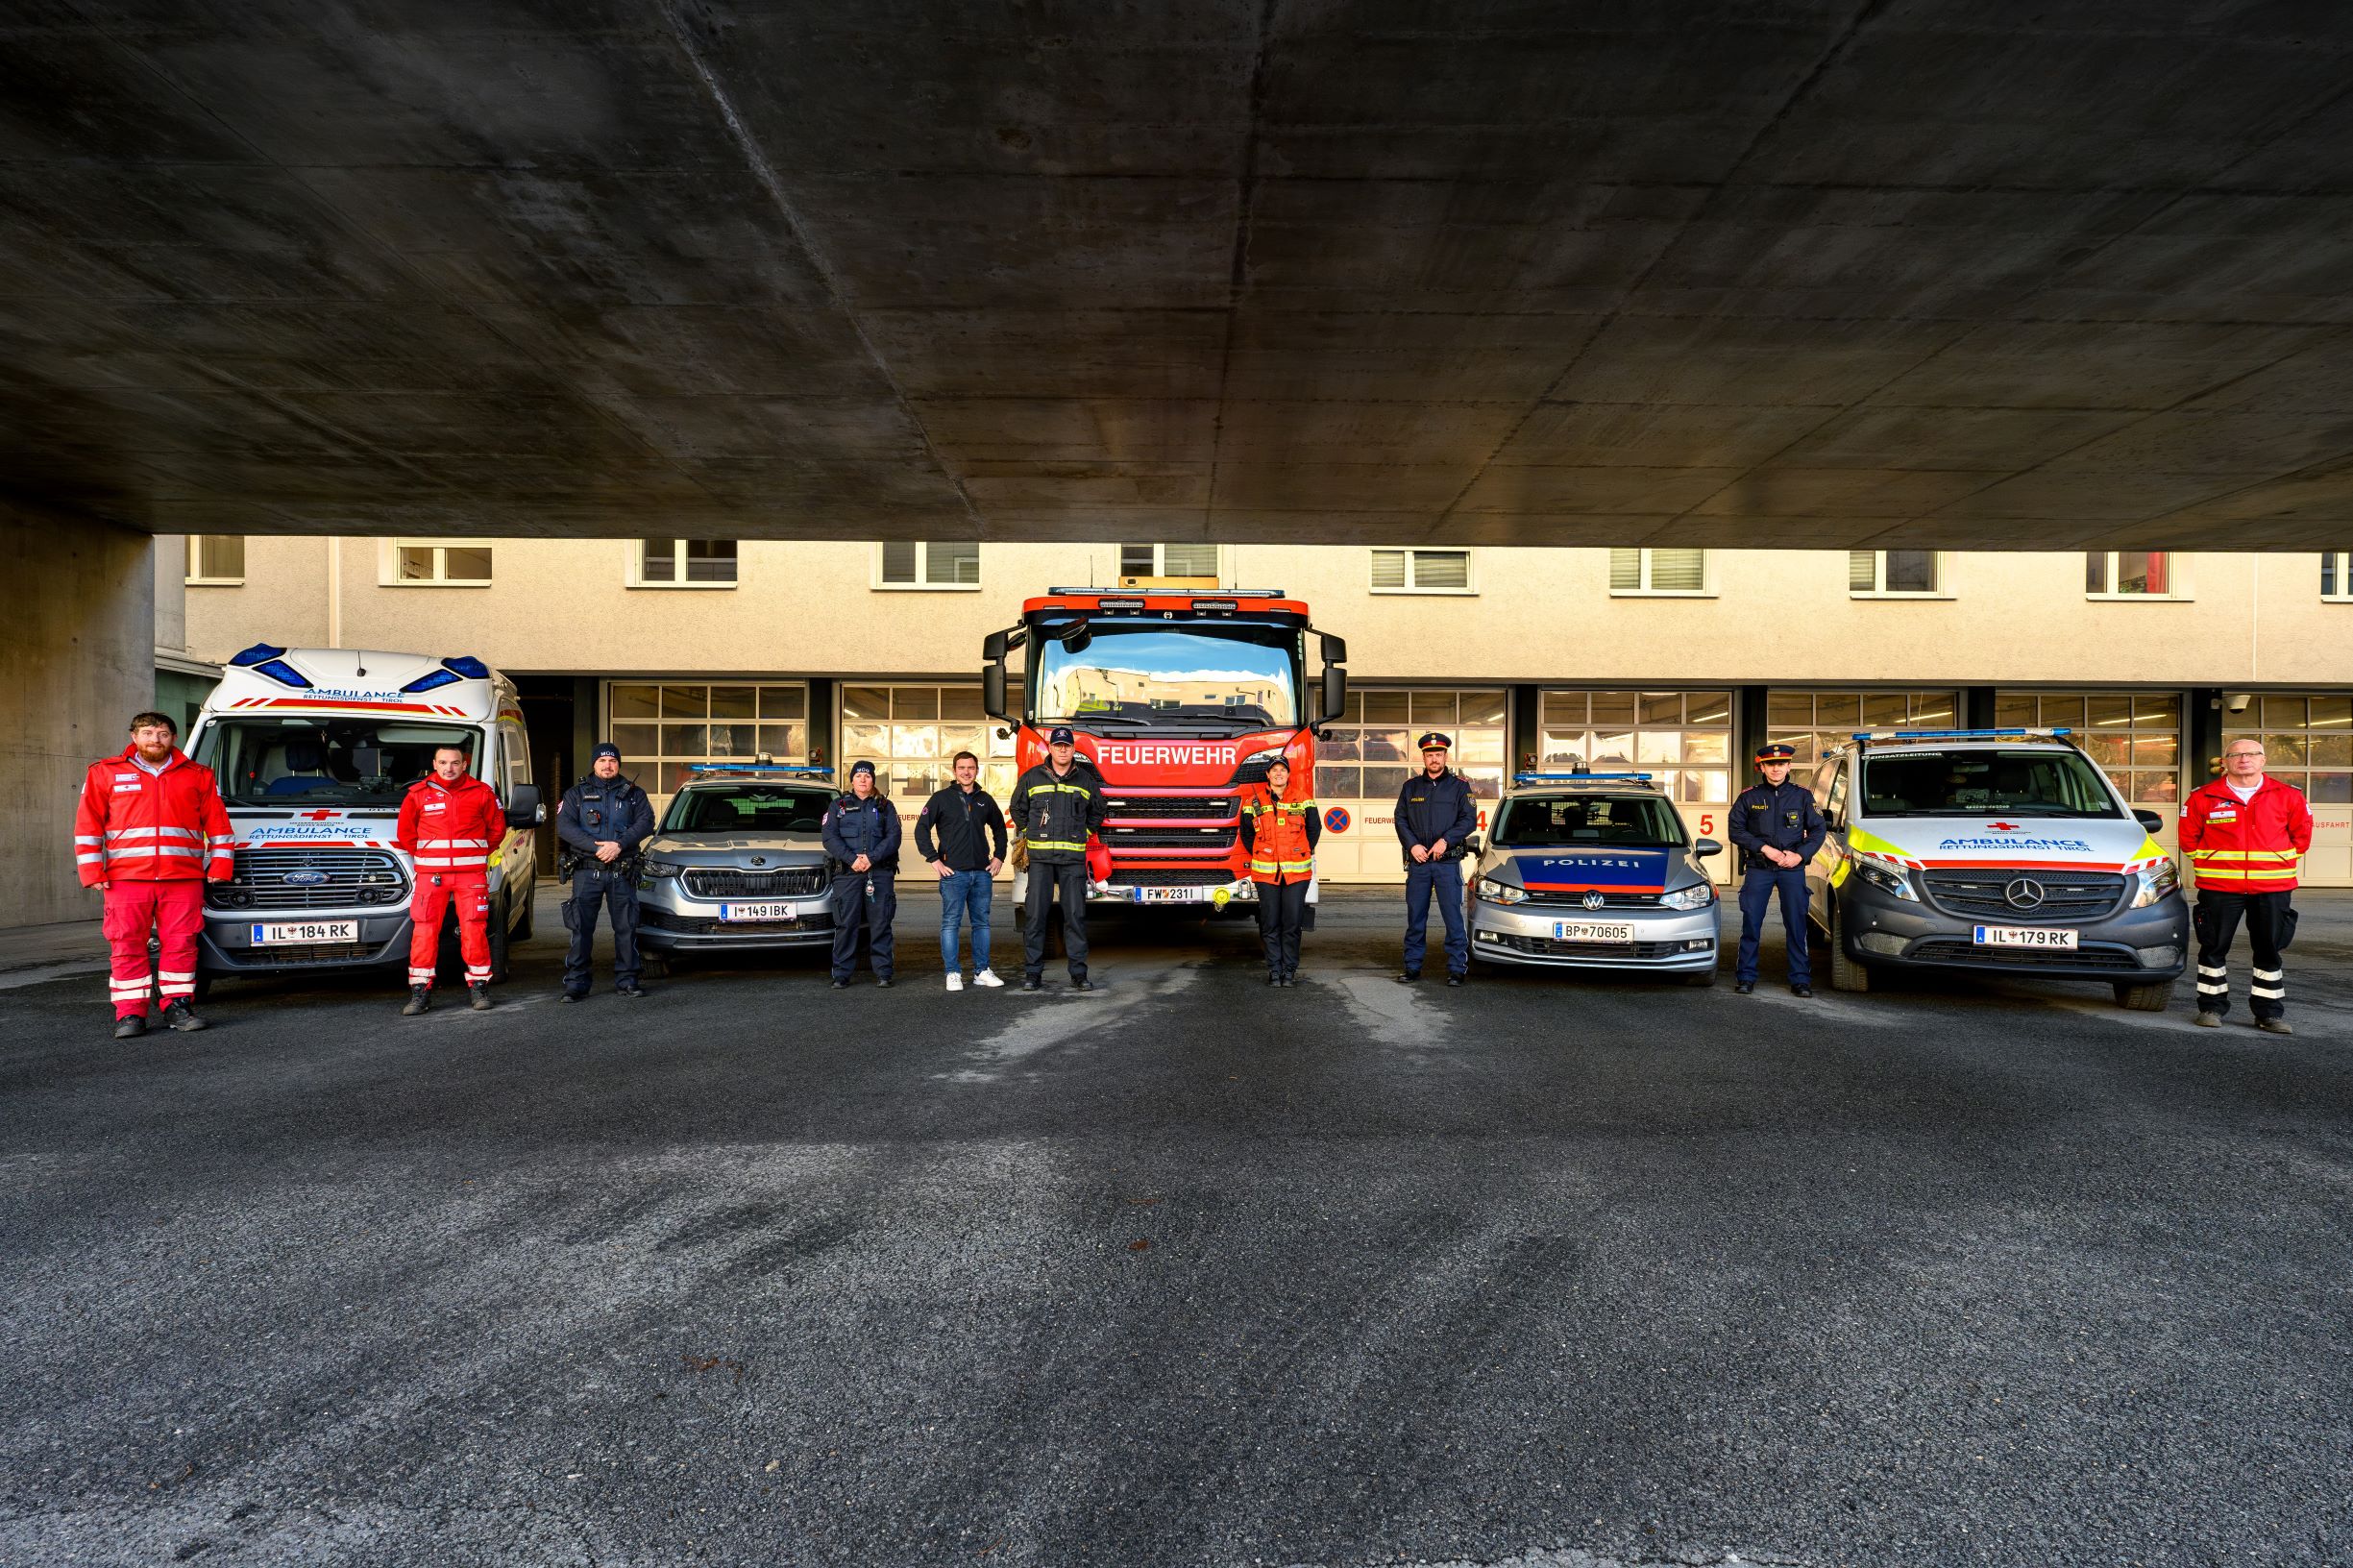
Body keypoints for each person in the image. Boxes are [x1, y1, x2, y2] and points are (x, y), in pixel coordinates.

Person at [75, 710, 234, 1038]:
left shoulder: (199, 775)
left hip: (183, 878)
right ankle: (130, 1014)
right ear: (134, 737)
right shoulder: (104, 773)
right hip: (125, 879)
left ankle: (178, 1006)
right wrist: (92, 869)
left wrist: (219, 866)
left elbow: (219, 827)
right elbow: (88, 825)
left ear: (173, 738)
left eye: (162, 733)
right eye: (147, 733)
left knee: (182, 945)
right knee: (127, 945)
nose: (155, 739)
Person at [2181, 738, 2314, 1034]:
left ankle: (2269, 1014)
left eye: (2252, 753)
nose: (2245, 759)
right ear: (2224, 762)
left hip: (2272, 888)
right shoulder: (2203, 797)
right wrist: (2214, 863)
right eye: (2236, 754)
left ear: (2263, 760)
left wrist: (2274, 862)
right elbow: (2188, 839)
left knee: (2269, 950)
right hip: (2219, 887)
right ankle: (2211, 1008)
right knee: (2213, 948)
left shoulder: (2288, 796)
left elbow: (2301, 838)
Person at [395, 743, 505, 1015]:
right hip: (431, 877)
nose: (449, 768)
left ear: (464, 764)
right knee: (424, 930)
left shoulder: (481, 793)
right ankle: (420, 992)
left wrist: (474, 853)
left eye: (455, 763)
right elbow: (406, 834)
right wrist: (431, 856)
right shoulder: (417, 794)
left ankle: (479, 987)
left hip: (470, 875)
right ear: (434, 764)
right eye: (443, 762)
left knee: (474, 930)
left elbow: (496, 830)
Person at [1010, 725, 1108, 992]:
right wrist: (1030, 832)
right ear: (1050, 749)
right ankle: (1033, 975)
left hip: (1072, 860)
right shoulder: (1032, 778)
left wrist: (1085, 832)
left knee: (1075, 918)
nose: (1062, 750)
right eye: (1058, 745)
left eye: (1067, 746)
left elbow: (1099, 810)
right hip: (1040, 860)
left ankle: (1079, 975)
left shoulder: (1085, 780)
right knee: (1036, 917)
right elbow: (1017, 807)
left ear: (1072, 749)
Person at [555, 741, 655, 1002]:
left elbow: (646, 823)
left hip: (622, 870)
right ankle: (577, 983)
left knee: (626, 928)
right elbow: (564, 826)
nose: (608, 765)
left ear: (618, 764)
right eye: (602, 761)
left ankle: (628, 980)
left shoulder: (635, 794)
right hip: (587, 870)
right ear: (594, 764)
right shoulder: (576, 794)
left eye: (612, 761)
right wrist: (595, 847)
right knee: (580, 929)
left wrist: (619, 845)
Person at [1728, 743, 1826, 996]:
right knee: (1751, 923)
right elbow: (1735, 830)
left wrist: (1800, 855)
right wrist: (1764, 848)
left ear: (1789, 766)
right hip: (1759, 868)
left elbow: (1818, 830)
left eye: (1781, 764)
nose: (1776, 769)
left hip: (1791, 868)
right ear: (1761, 766)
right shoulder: (1748, 796)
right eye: (1770, 764)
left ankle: (1800, 980)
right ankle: (1746, 977)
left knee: (1796, 925)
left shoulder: (1802, 796)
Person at [916, 749, 1008, 992]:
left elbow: (1000, 829)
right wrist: (934, 860)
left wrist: (999, 857)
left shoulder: (985, 799)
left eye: (971, 768)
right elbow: (921, 830)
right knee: (950, 924)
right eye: (961, 768)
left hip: (981, 874)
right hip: (953, 874)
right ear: (954, 771)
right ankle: (953, 973)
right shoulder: (940, 798)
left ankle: (981, 971)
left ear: (977, 770)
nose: (966, 772)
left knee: (982, 923)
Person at [1394, 732, 1478, 985]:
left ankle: (1456, 969)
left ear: (1445, 756)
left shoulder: (1460, 787)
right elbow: (1401, 820)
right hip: (1419, 865)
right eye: (1430, 755)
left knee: (1453, 918)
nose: (1434, 759)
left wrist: (1446, 840)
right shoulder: (1410, 787)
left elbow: (1469, 820)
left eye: (1438, 755)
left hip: (1447, 864)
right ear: (1424, 757)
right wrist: (1413, 845)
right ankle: (1412, 967)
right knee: (1415, 918)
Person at [1238, 755, 1320, 986]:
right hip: (1266, 874)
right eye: (1273, 770)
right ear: (1268, 775)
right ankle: (1275, 971)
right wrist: (1261, 853)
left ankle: (1290, 971)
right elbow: (1246, 834)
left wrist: (1301, 851)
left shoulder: (1304, 800)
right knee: (1270, 923)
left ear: (1288, 774)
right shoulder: (1252, 802)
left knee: (1292, 923)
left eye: (1282, 770)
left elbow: (1314, 829)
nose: (1278, 774)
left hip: (1296, 874)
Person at [821, 760, 900, 989]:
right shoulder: (839, 806)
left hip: (879, 873)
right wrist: (852, 859)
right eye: (858, 776)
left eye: (867, 776)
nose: (863, 780)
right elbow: (829, 838)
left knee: (881, 924)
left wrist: (871, 858)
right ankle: (841, 975)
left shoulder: (885, 806)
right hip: (847, 875)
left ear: (873, 780)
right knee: (846, 925)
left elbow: (893, 837)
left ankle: (884, 973)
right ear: (852, 779)